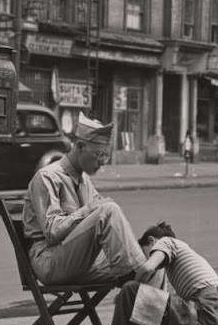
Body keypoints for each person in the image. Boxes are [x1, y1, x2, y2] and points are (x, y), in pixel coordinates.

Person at [22, 112, 155, 287]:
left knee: (154, 250)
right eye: (99, 154)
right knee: (108, 211)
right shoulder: (47, 177)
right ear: (80, 146)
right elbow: (53, 232)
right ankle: (136, 273)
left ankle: (147, 295)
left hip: (79, 263)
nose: (102, 162)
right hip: (49, 261)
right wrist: (89, 209)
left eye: (105, 156)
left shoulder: (84, 180)